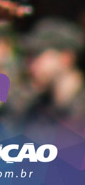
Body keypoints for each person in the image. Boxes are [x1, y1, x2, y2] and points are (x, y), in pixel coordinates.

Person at [16, 17, 85, 145]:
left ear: (66, 57)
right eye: (29, 57)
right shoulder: (35, 109)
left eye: (37, 55)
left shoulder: (80, 108)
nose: (30, 65)